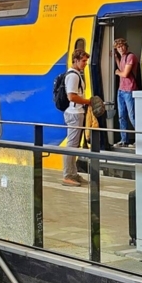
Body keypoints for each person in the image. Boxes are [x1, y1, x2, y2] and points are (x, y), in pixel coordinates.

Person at [62, 49, 90, 187]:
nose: (85, 63)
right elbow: (71, 96)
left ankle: (73, 174)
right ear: (76, 60)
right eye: (83, 61)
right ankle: (67, 175)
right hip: (74, 113)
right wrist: (88, 101)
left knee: (74, 146)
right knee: (71, 146)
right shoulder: (73, 76)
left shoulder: (76, 74)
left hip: (76, 112)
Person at [113, 39, 138, 147]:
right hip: (121, 90)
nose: (121, 48)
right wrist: (116, 58)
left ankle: (140, 139)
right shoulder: (123, 57)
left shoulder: (130, 57)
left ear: (126, 46)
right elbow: (121, 68)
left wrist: (118, 73)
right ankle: (124, 140)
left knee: (132, 116)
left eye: (122, 46)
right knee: (121, 116)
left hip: (130, 89)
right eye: (118, 47)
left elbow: (125, 74)